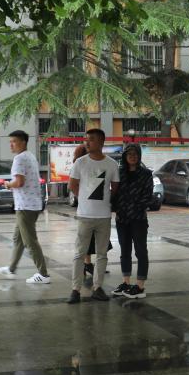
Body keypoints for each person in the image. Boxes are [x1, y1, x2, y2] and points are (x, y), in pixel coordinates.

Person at [67, 129, 119, 304]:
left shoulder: (111, 164)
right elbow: (72, 185)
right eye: (86, 140)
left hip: (104, 216)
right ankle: (75, 290)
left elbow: (115, 187)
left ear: (101, 142)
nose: (87, 143)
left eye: (91, 140)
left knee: (102, 254)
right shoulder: (80, 162)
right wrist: (83, 199)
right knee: (79, 253)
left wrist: (105, 201)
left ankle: (98, 288)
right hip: (84, 215)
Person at [0, 130, 51, 284]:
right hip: (32, 204)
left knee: (30, 241)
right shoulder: (30, 156)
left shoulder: (19, 158)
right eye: (10, 142)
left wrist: (8, 184)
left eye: (14, 141)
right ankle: (11, 268)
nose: (11, 145)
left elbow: (19, 182)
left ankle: (43, 274)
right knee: (18, 239)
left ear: (23, 142)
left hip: (25, 206)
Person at [111, 144, 154, 299]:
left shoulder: (146, 174)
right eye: (129, 154)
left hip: (138, 219)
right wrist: (116, 207)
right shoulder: (119, 172)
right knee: (124, 251)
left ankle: (140, 286)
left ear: (139, 155)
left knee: (141, 251)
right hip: (122, 219)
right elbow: (114, 193)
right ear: (125, 156)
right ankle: (126, 282)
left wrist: (134, 208)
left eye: (135, 154)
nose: (132, 156)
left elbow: (148, 196)